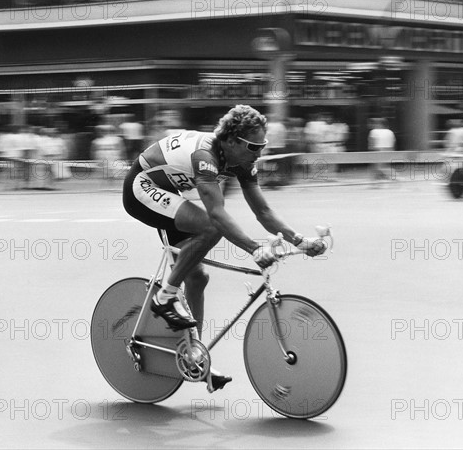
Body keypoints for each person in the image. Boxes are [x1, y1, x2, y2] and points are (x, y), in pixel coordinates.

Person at [122, 105, 327, 391]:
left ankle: (194, 354)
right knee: (210, 227)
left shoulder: (242, 160)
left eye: (263, 146)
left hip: (172, 194)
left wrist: (300, 240)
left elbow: (263, 212)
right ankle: (166, 296)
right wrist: (255, 249)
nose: (259, 152)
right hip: (141, 187)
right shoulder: (205, 156)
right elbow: (217, 215)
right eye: (254, 146)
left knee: (198, 277)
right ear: (231, 141)